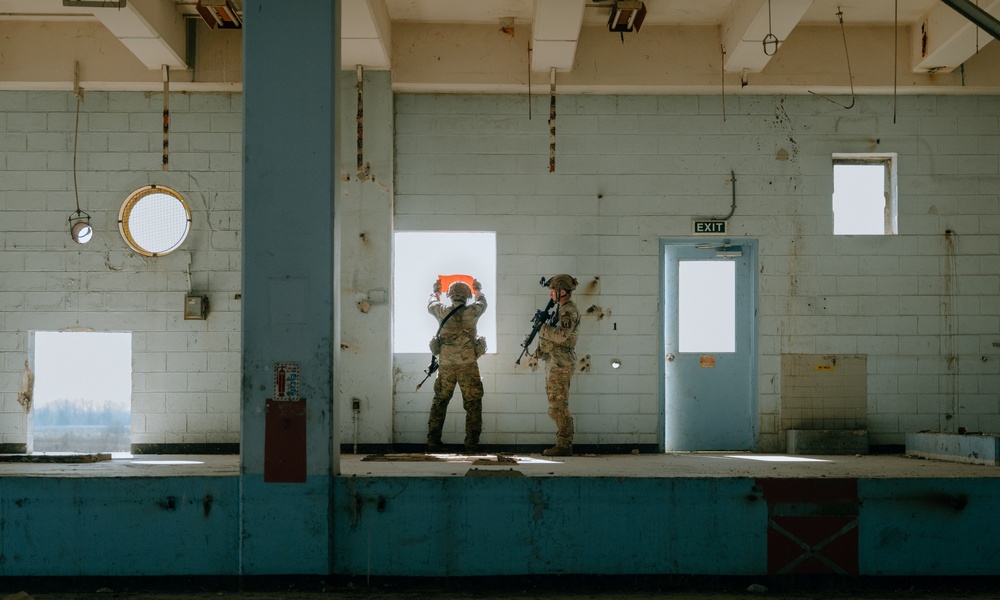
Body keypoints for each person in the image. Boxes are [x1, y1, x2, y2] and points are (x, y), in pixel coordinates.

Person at [426, 278, 488, 453]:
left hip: (446, 365)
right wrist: (478, 290)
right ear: (467, 297)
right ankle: (471, 445)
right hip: (468, 365)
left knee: (440, 402)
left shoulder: (442, 311)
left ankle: (433, 442)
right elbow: (482, 302)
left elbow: (431, 303)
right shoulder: (473, 312)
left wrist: (436, 291)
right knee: (473, 404)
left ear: (450, 296)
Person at [536, 274, 581, 456]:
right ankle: (563, 443)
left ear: (563, 291)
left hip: (561, 363)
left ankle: (564, 445)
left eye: (553, 290)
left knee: (558, 406)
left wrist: (541, 327)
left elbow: (561, 335)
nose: (551, 294)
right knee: (556, 404)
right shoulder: (561, 309)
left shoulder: (568, 311)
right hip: (556, 361)